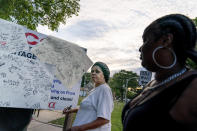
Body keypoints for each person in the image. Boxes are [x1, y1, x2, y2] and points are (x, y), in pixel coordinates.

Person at [122, 14, 197, 131]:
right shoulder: (153, 84)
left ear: (166, 40)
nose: (140, 48)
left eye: (145, 40)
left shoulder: (192, 86)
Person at [63, 62, 114, 131]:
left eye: (97, 71)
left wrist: (79, 128)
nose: (93, 73)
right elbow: (89, 109)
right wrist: (71, 110)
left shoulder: (104, 90)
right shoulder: (94, 89)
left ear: (104, 75)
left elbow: (104, 119)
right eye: (92, 71)